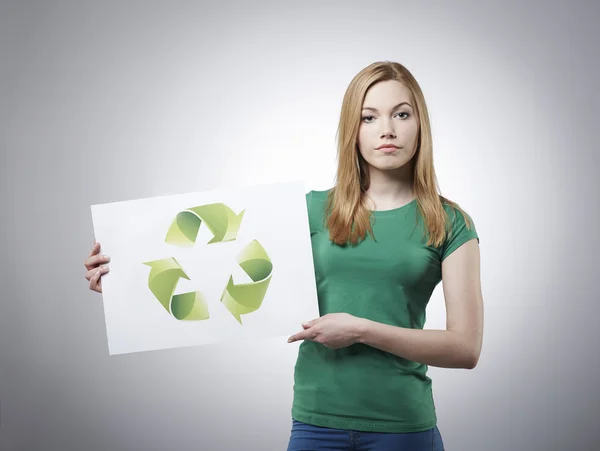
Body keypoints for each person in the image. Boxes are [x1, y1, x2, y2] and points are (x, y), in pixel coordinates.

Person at [83, 61, 483, 451]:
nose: (388, 130)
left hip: (403, 427)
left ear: (420, 125)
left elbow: (465, 348)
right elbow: (210, 263)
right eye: (369, 117)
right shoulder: (308, 210)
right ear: (352, 130)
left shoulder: (449, 222)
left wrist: (360, 330)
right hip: (316, 423)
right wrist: (124, 282)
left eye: (401, 114)